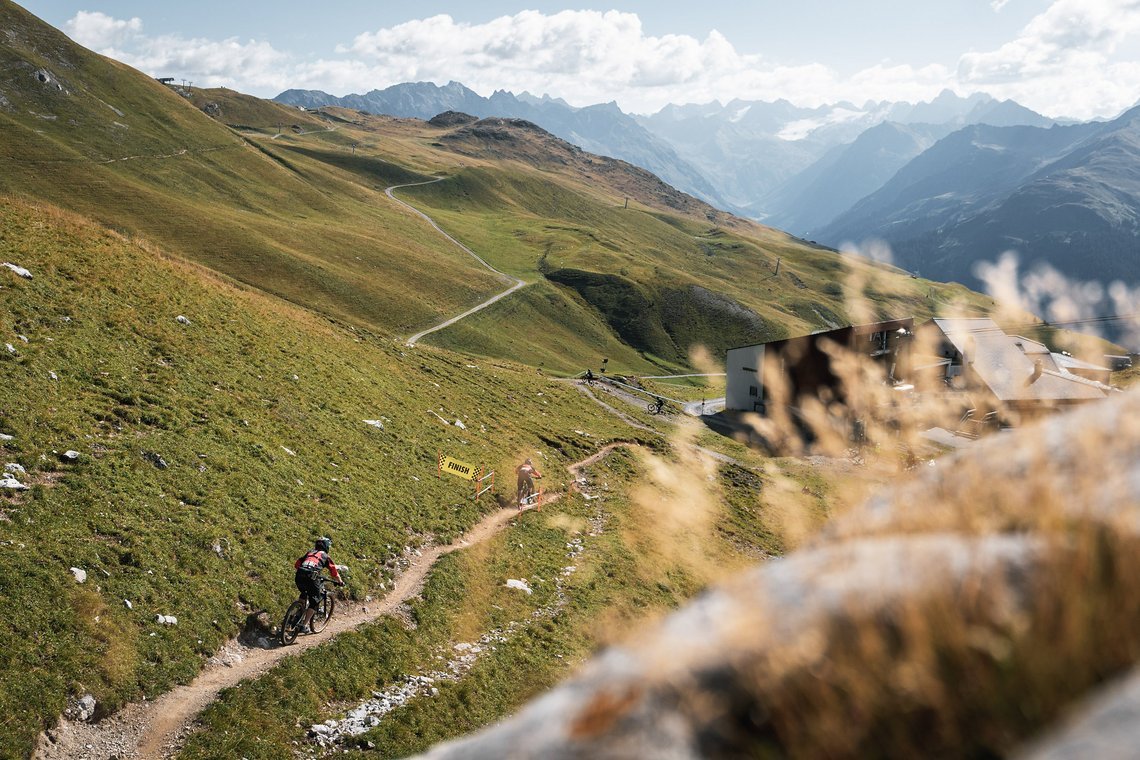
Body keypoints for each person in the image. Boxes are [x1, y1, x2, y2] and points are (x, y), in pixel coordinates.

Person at [294, 536, 344, 632]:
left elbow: (297, 564)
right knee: (314, 602)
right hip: (312, 577)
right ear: (326, 547)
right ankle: (303, 625)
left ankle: (297, 614)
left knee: (304, 592)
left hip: (299, 575)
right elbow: (333, 571)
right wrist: (340, 581)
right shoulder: (325, 556)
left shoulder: (309, 553)